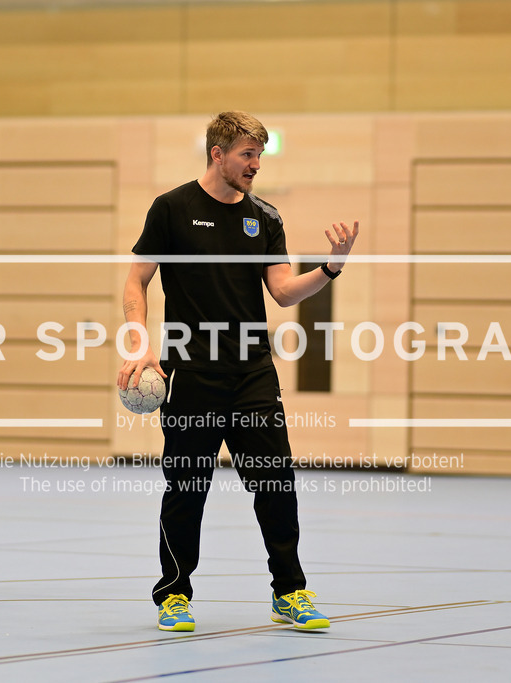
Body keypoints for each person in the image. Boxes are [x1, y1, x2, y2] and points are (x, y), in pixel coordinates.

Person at [117, 111, 359, 631]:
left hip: (251, 373)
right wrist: (140, 345)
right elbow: (136, 282)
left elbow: (285, 291)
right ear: (217, 154)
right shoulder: (172, 209)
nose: (255, 165)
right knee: (186, 486)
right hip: (192, 372)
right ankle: (174, 595)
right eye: (247, 155)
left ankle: (289, 592)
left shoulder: (265, 217)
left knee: (275, 482)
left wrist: (330, 267)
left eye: (259, 156)